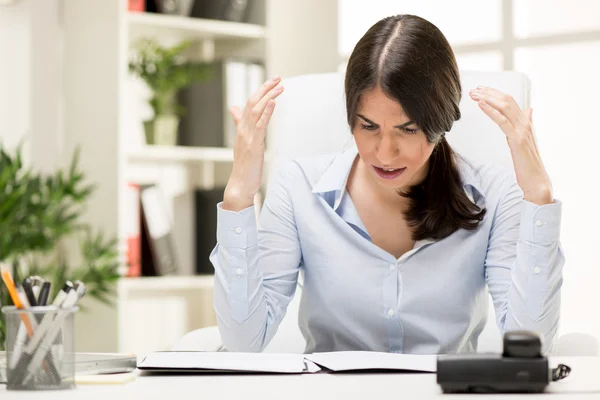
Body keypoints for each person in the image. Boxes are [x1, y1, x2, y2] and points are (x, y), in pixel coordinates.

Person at [210, 14, 563, 354]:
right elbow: (245, 339)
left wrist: (537, 196)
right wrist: (240, 194)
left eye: (407, 129)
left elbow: (530, 339)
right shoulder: (298, 186)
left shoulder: (495, 194)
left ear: (441, 121)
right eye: (368, 127)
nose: (384, 152)